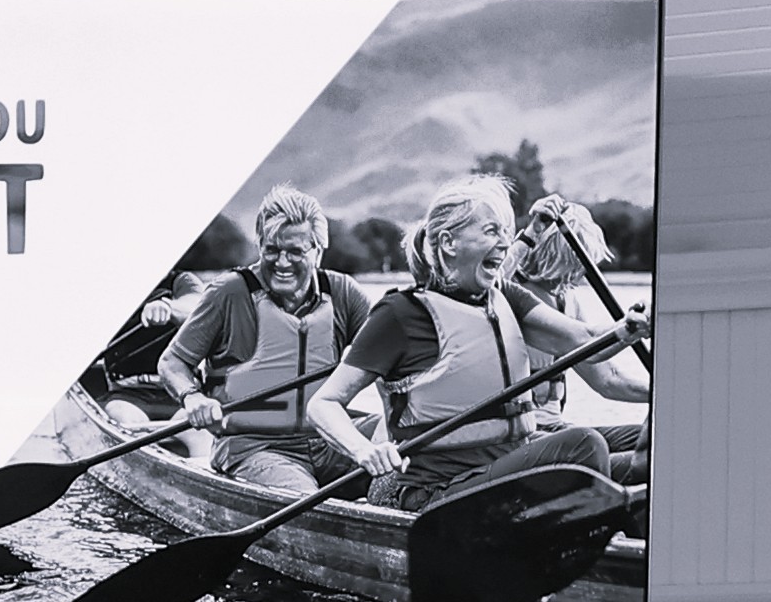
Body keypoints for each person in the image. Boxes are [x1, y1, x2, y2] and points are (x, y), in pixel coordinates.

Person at [308, 179, 646, 507]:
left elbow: (587, 341)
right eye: (491, 231)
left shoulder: (507, 297)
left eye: (505, 232)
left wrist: (632, 327)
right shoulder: (399, 314)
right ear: (449, 243)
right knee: (584, 445)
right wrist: (363, 450)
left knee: (651, 449)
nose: (505, 243)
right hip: (437, 491)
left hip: (504, 470)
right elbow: (323, 404)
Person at [143, 190, 375, 494]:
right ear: (260, 246)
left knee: (406, 439)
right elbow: (172, 362)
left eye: (295, 252)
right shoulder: (228, 293)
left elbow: (390, 354)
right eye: (271, 250)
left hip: (329, 439)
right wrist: (192, 397)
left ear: (319, 250)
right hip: (254, 447)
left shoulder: (344, 292)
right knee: (301, 495)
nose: (282, 262)